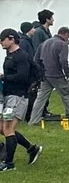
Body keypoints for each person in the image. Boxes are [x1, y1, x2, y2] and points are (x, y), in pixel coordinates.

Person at [0, 29, 43, 172]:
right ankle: (31, 148)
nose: (1, 42)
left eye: (2, 39)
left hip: (18, 96)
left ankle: (9, 163)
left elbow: (22, 77)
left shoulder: (21, 56)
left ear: (11, 39)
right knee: (3, 128)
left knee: (8, 129)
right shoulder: (9, 56)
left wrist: (2, 77)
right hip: (8, 95)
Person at [29, 26, 69, 123]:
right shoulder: (63, 44)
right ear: (66, 34)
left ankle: (33, 120)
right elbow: (63, 61)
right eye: (68, 37)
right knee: (66, 95)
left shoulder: (44, 43)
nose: (68, 39)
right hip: (57, 75)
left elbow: (35, 60)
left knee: (41, 98)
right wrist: (67, 74)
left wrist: (41, 72)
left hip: (45, 75)